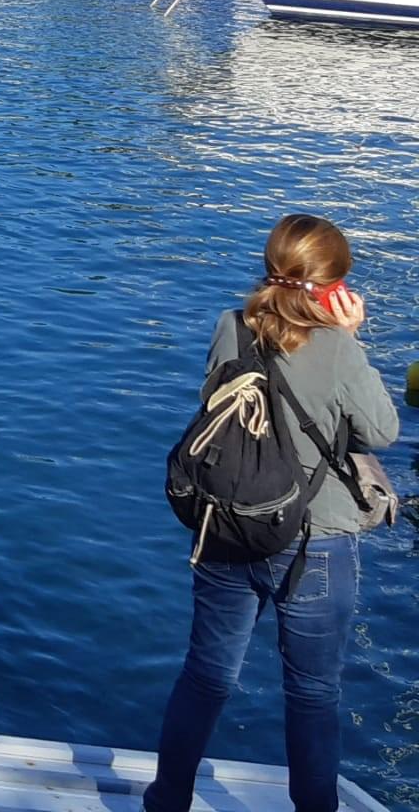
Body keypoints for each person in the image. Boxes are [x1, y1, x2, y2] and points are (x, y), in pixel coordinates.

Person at [144, 215, 399, 812]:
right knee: (312, 693)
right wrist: (352, 340)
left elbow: (219, 406)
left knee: (207, 676)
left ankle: (166, 802)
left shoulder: (230, 325)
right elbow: (381, 431)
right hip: (314, 540)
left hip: (228, 522)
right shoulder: (336, 346)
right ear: (333, 285)